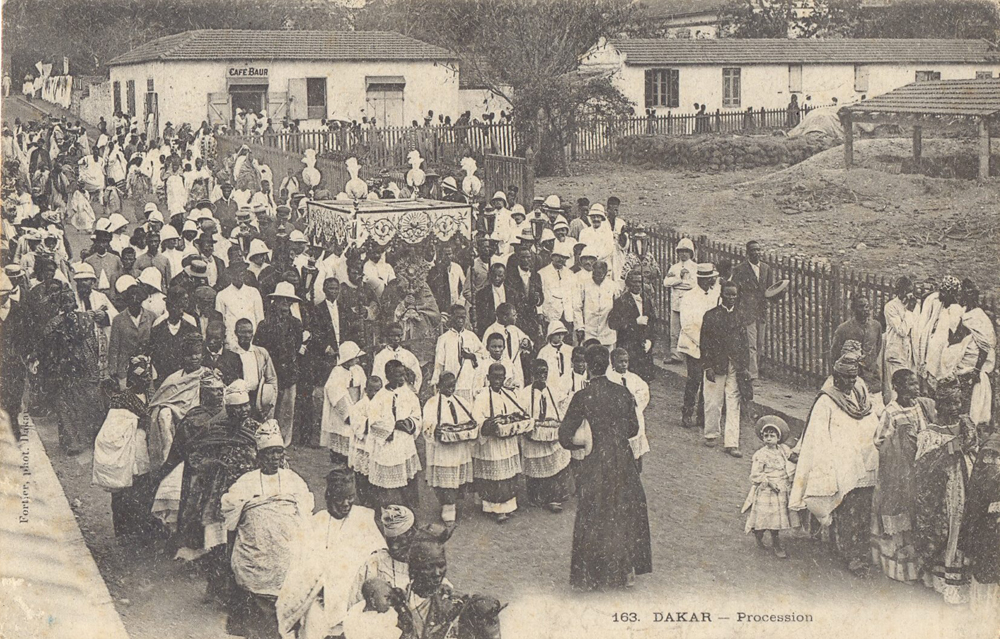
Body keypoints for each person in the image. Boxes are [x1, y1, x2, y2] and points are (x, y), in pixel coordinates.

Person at [558, 345, 652, 590]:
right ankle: (625, 572)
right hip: (622, 460)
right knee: (623, 512)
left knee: (593, 515)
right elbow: (633, 429)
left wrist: (586, 439)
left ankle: (589, 578)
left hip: (596, 461)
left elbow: (564, 436)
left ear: (588, 367)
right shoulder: (622, 392)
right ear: (609, 365)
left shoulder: (583, 396)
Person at [159, 375, 257, 603]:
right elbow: (194, 456)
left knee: (244, 544)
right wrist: (213, 464)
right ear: (228, 409)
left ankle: (241, 593)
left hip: (250, 496)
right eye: (237, 408)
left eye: (246, 407)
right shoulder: (214, 430)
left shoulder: (255, 430)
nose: (242, 412)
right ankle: (215, 587)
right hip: (218, 497)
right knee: (219, 545)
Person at [789, 342, 879, 577]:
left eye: (853, 377)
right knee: (845, 506)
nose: (849, 383)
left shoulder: (860, 389)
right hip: (840, 461)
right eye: (845, 378)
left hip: (865, 460)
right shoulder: (826, 400)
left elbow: (869, 417)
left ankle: (858, 550)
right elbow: (818, 438)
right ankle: (850, 555)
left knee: (862, 509)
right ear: (835, 376)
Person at [222, 420, 314, 639]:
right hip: (255, 560)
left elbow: (305, 520)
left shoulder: (294, 481)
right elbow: (231, 522)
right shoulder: (245, 483)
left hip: (285, 558)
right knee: (256, 622)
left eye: (278, 453)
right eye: (269, 453)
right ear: (259, 455)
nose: (274, 458)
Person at [277, 464, 386, 639]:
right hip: (319, 597)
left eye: (350, 497)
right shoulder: (317, 522)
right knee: (313, 626)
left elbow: (376, 560)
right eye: (340, 498)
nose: (346, 504)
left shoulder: (364, 518)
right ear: (329, 496)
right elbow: (301, 566)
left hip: (355, 599)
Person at [913, 379, 976, 604]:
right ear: (940, 405)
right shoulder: (930, 433)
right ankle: (945, 581)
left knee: (965, 525)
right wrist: (952, 447)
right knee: (951, 527)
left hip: (968, 482)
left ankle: (963, 577)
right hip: (946, 491)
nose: (956, 407)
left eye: (959, 401)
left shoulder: (967, 423)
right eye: (951, 403)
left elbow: (974, 446)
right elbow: (923, 467)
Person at [871, 368, 930, 583]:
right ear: (897, 388)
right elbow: (879, 441)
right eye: (910, 384)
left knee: (913, 513)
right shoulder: (891, 412)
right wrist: (896, 449)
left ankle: (914, 568)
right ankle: (896, 568)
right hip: (898, 471)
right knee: (898, 514)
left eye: (916, 384)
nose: (915, 388)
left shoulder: (918, 407)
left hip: (916, 467)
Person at [39, 288, 105, 455]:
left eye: (70, 301)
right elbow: (47, 345)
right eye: (65, 302)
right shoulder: (54, 323)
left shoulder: (85, 319)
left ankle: (90, 438)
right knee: (65, 404)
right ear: (60, 305)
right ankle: (71, 442)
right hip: (64, 368)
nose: (68, 305)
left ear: (75, 304)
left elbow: (91, 343)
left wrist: (92, 365)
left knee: (87, 401)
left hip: (84, 366)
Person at [101, 355, 158, 546]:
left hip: (143, 451)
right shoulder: (122, 399)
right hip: (127, 452)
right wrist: (135, 422)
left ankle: (141, 530)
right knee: (123, 493)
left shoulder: (151, 396)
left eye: (146, 377)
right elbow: (113, 426)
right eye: (140, 378)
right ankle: (124, 531)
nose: (144, 381)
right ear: (131, 379)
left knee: (142, 489)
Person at [699, 280, 750, 456]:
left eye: (734, 295)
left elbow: (745, 343)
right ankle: (711, 434)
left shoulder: (740, 315)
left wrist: (745, 366)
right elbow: (704, 343)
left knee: (733, 402)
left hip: (735, 366)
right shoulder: (711, 315)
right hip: (716, 364)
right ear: (722, 295)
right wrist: (707, 367)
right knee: (713, 400)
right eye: (728, 294)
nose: (731, 298)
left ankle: (731, 442)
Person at [472, 363, 527, 524]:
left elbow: (517, 413)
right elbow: (477, 419)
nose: (497, 381)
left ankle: (508, 505)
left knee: (508, 475)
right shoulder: (482, 396)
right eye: (494, 377)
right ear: (488, 378)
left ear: (504, 378)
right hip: (491, 443)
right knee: (495, 474)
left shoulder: (508, 395)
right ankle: (494, 507)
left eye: (500, 378)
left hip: (507, 440)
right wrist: (488, 425)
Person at [367, 360, 423, 510]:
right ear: (388, 376)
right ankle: (384, 509)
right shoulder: (380, 396)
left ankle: (410, 507)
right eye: (397, 375)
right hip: (387, 443)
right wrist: (391, 427)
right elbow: (373, 420)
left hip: (404, 442)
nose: (402, 379)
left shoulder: (408, 394)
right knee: (384, 481)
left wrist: (409, 423)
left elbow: (417, 414)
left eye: (403, 375)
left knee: (408, 477)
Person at [518, 359, 573, 512]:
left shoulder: (555, 392)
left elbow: (562, 409)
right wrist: (529, 425)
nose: (542, 376)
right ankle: (536, 497)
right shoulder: (523, 394)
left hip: (552, 433)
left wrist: (557, 421)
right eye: (538, 373)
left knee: (555, 463)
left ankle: (554, 498)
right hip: (533, 435)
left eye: (544, 373)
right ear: (532, 374)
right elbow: (521, 416)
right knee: (535, 466)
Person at [422, 372, 477, 523]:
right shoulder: (432, 403)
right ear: (439, 386)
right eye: (447, 386)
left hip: (458, 447)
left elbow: (470, 419)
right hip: (442, 450)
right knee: (445, 478)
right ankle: (447, 506)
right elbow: (426, 423)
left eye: (453, 385)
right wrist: (435, 429)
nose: (451, 389)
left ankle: (453, 503)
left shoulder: (461, 402)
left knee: (457, 476)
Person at [254, 282, 303, 446]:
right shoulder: (265, 325)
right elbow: (259, 350)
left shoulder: (296, 324)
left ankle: (283, 443)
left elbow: (296, 346)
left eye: (288, 301)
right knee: (269, 408)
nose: (285, 304)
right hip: (270, 373)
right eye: (281, 300)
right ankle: (267, 441)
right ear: (275, 302)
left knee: (287, 411)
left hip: (289, 371)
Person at [742, 416, 798, 560]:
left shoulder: (783, 449)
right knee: (766, 515)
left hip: (781, 488)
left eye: (772, 435)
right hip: (767, 489)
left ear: (778, 437)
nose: (769, 438)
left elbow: (793, 458)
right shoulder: (761, 455)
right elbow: (755, 474)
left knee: (776, 518)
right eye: (766, 435)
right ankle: (763, 537)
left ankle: (773, 540)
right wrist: (770, 484)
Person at [958, 432, 1000, 625]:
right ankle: (986, 612)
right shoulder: (991, 447)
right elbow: (987, 483)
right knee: (988, 566)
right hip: (989, 521)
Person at [947, 280, 996, 425]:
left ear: (972, 296)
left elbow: (985, 346)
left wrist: (976, 369)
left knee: (971, 404)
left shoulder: (979, 316)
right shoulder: (963, 312)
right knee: (960, 404)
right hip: (962, 364)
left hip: (973, 366)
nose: (961, 296)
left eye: (965, 293)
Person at [348, 505, 417, 606]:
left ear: (411, 534)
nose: (394, 547)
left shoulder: (423, 560)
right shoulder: (375, 563)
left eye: (399, 540)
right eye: (390, 541)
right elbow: (356, 601)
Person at [678, 263, 720, 429]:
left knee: (707, 382)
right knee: (694, 379)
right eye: (707, 279)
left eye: (711, 279)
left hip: (709, 346)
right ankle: (687, 412)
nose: (710, 281)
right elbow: (687, 324)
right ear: (701, 279)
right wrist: (702, 342)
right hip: (694, 344)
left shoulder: (714, 295)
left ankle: (702, 416)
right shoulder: (689, 297)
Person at [831, 295, 884, 412]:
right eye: (861, 307)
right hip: (852, 380)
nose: (865, 309)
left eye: (867, 306)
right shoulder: (843, 329)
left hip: (872, 379)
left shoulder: (876, 326)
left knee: (876, 412)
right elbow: (835, 355)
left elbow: (877, 347)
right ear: (853, 309)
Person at [731, 241, 774, 381]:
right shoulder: (740, 269)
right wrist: (737, 312)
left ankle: (755, 369)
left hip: (761, 311)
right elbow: (736, 291)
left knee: (760, 342)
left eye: (758, 250)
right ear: (747, 253)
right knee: (751, 344)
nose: (756, 253)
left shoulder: (766, 269)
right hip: (747, 311)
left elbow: (770, 289)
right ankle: (753, 374)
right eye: (753, 250)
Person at [321, 341, 367, 463]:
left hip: (357, 405)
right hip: (342, 411)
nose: (357, 360)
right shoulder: (337, 372)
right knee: (344, 433)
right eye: (354, 357)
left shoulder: (358, 370)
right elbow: (336, 394)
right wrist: (348, 414)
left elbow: (364, 388)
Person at [107, 276, 157, 389]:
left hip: (146, 365)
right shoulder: (118, 320)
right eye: (131, 303)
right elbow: (114, 346)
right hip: (124, 366)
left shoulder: (151, 317)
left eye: (138, 303)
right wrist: (112, 371)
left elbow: (155, 342)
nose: (135, 306)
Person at [609, 269, 656, 382]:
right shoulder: (621, 301)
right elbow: (613, 323)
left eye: (639, 282)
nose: (637, 285)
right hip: (629, 346)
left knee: (644, 381)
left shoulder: (646, 300)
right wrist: (634, 322)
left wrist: (650, 340)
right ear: (628, 283)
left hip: (644, 347)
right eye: (634, 282)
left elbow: (653, 323)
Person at [430, 305, 484, 402]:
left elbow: (484, 355)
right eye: (457, 317)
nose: (460, 321)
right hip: (451, 385)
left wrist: (471, 356)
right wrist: (436, 383)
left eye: (463, 318)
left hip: (468, 382)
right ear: (451, 318)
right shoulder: (444, 339)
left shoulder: (471, 336)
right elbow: (439, 364)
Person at [608, 348, 650, 472]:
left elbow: (644, 392)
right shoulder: (609, 378)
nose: (624, 364)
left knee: (635, 449)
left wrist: (634, 399)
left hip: (633, 417)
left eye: (626, 361)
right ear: (613, 362)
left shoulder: (633, 378)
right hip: (617, 418)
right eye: (620, 361)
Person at [149, 286, 199, 381]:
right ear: (168, 307)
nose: (180, 311)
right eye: (176, 306)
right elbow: (154, 356)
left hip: (185, 378)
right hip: (163, 379)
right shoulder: (157, 329)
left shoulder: (191, 327)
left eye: (181, 307)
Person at [882, 276, 919, 404]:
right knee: (896, 390)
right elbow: (902, 331)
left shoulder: (914, 305)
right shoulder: (890, 307)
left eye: (911, 291)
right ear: (900, 292)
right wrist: (909, 311)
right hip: (896, 354)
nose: (909, 295)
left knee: (910, 388)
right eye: (907, 291)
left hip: (910, 354)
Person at [232, 318, 278, 419]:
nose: (247, 336)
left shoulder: (261, 352)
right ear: (236, 333)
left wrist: (269, 402)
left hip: (257, 398)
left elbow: (272, 379)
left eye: (250, 332)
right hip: (239, 400)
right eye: (243, 332)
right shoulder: (231, 352)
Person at [216, 259, 265, 349]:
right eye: (235, 273)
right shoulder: (222, 295)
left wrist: (257, 339)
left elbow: (260, 319)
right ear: (230, 275)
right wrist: (227, 341)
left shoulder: (254, 292)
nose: (239, 276)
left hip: (252, 340)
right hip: (232, 342)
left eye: (241, 272)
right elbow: (221, 321)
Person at [662, 238, 697, 363]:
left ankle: (690, 355)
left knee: (688, 329)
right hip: (676, 303)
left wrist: (677, 284)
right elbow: (666, 282)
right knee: (675, 331)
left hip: (689, 304)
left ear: (691, 253)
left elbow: (693, 285)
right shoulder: (674, 267)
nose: (683, 254)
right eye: (681, 251)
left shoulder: (694, 267)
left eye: (686, 251)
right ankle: (676, 356)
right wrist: (680, 278)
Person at [574, 260, 619, 349]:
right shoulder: (584, 284)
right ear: (592, 271)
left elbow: (618, 307)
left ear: (606, 273)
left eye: (601, 273)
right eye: (596, 273)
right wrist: (580, 327)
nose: (598, 276)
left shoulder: (613, 285)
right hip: (589, 330)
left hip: (606, 330)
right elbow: (577, 307)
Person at [372, 323, 423, 395]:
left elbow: (418, 375)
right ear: (387, 336)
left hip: (405, 394)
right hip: (387, 394)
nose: (396, 338)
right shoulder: (380, 356)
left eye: (398, 336)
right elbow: (377, 377)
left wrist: (413, 391)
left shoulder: (408, 355)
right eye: (392, 336)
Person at [537, 320, 574, 395]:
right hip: (550, 387)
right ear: (551, 335)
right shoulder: (544, 352)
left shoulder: (569, 350)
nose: (560, 337)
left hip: (567, 386)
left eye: (562, 334)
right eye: (557, 334)